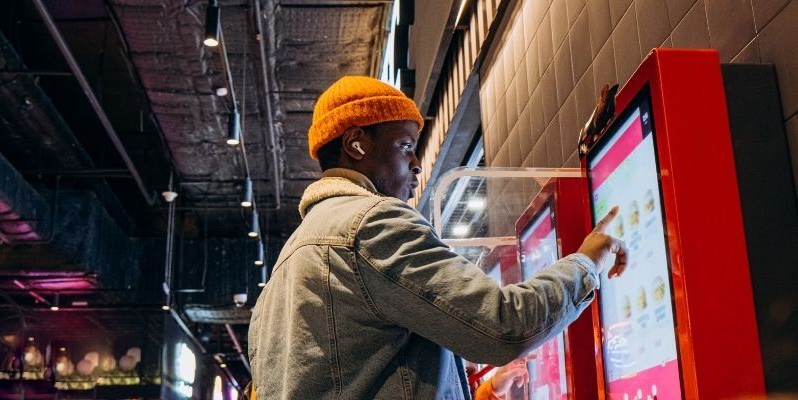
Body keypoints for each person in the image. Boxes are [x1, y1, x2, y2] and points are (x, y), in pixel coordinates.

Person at [248, 76, 627, 399]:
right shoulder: (371, 224)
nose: (416, 164)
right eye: (405, 146)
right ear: (356, 144)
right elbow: (504, 326)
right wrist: (588, 261)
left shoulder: (286, 266)